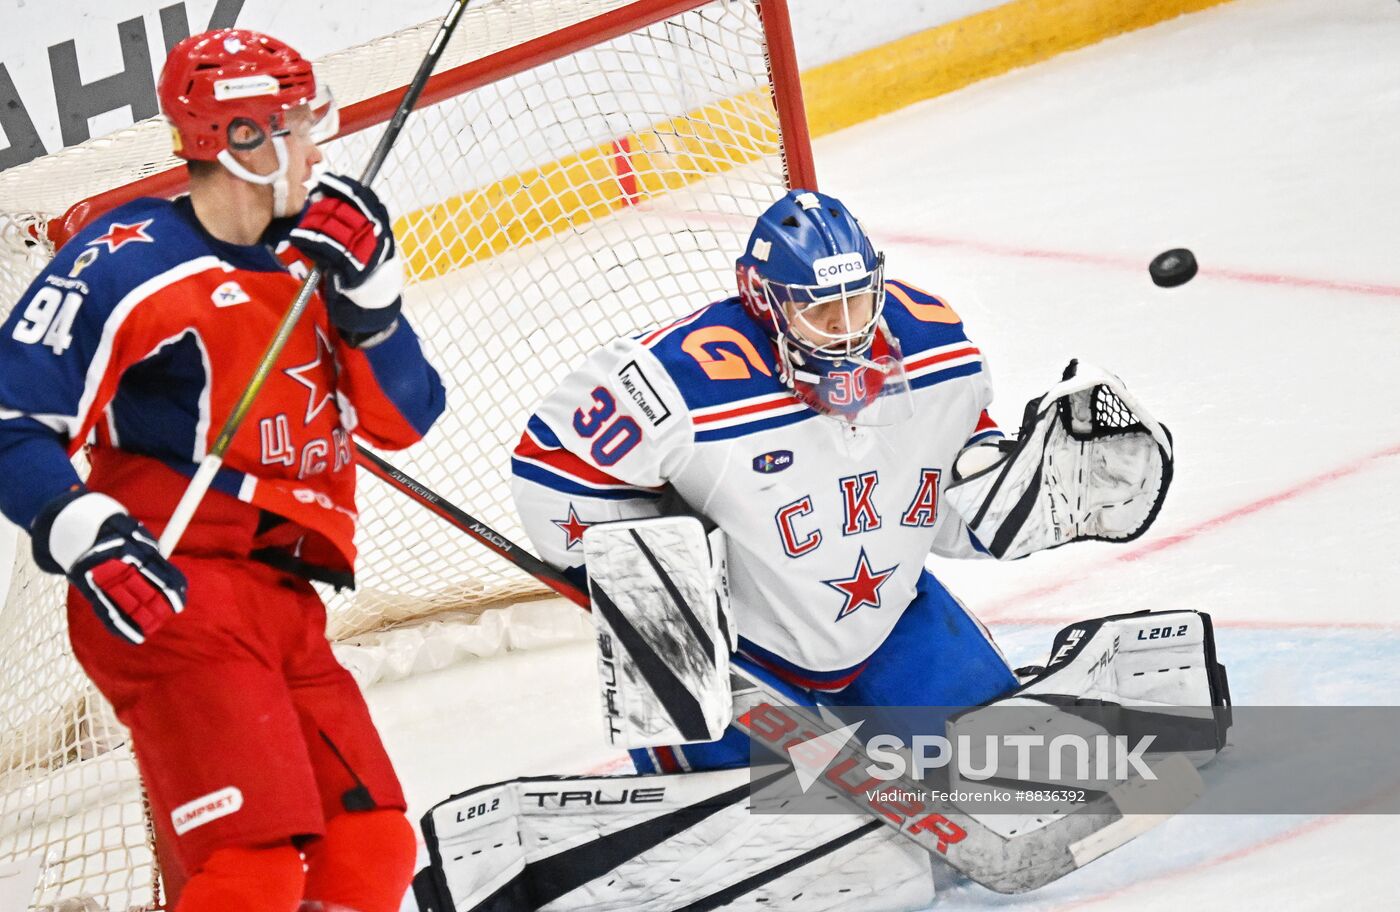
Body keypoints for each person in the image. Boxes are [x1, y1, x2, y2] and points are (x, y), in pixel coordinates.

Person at [0, 29, 444, 912]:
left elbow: (408, 419)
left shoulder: (323, 245)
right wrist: (87, 533)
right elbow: (12, 419)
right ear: (241, 142)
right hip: (169, 590)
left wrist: (374, 305)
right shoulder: (127, 262)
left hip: (282, 599)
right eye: (292, 126)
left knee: (374, 845)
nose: (317, 147)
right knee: (254, 875)